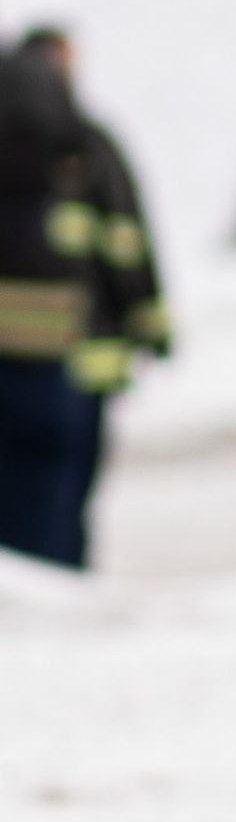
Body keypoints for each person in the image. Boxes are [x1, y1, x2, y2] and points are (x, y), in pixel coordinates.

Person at [0, 32, 166, 568]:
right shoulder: (84, 142)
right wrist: (150, 325)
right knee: (59, 497)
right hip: (72, 356)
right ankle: (59, 593)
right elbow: (125, 244)